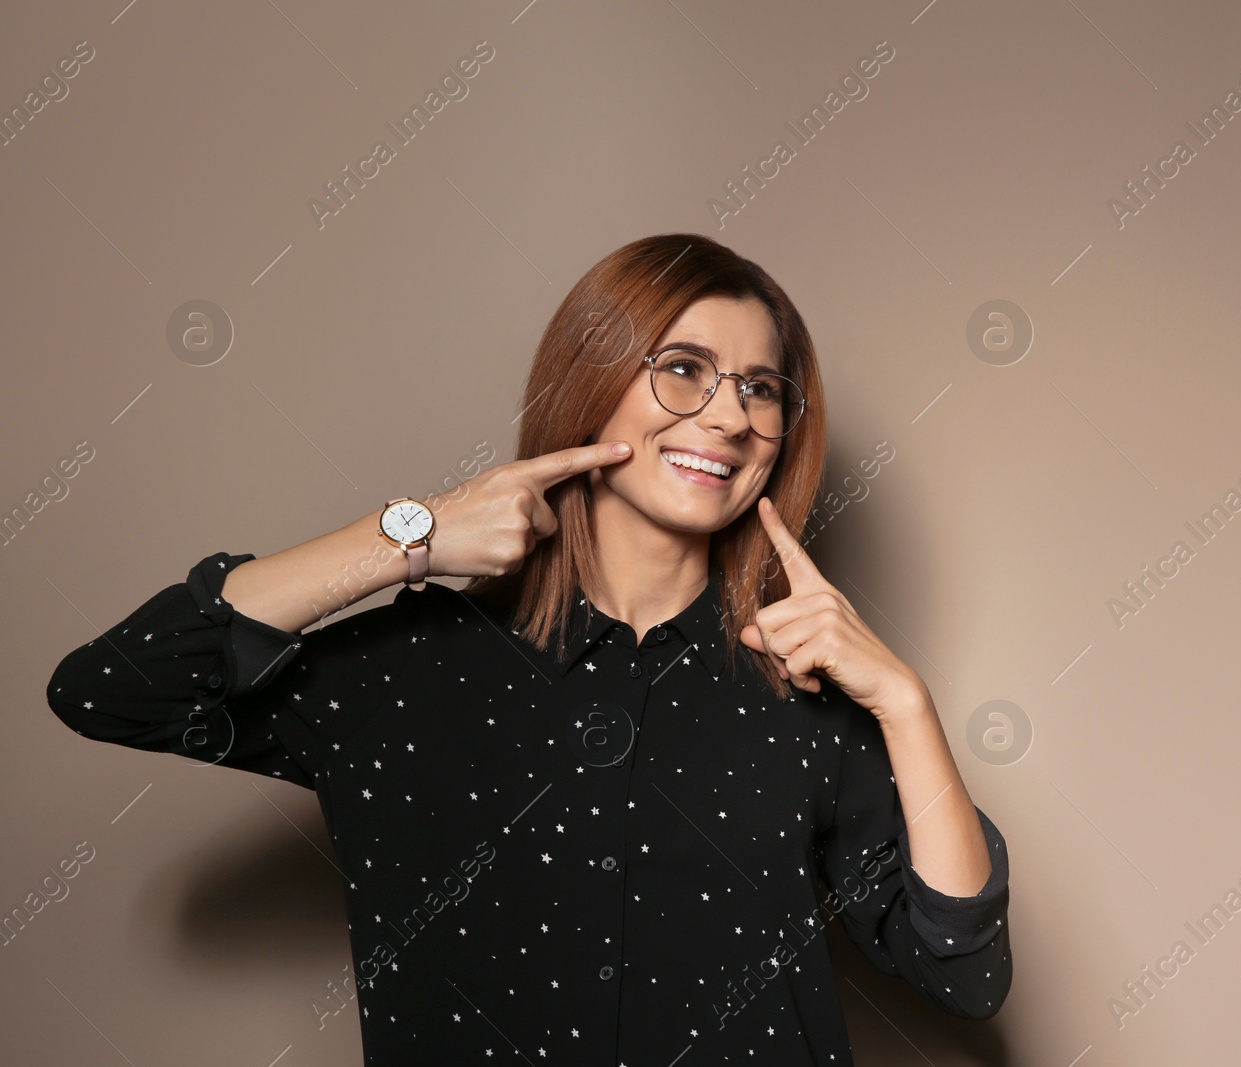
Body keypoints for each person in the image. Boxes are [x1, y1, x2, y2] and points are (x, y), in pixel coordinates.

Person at [46, 232, 1012, 1065]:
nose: (728, 414)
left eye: (761, 388)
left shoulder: (809, 698)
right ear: (594, 380)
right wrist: (404, 538)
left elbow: (964, 971)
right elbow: (112, 688)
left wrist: (905, 703)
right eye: (682, 367)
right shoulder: (407, 667)